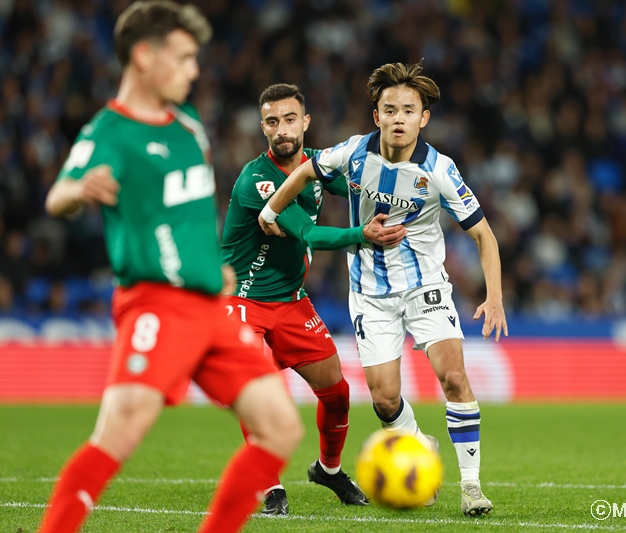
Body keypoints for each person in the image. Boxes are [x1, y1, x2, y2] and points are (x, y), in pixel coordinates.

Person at [37, 2, 303, 532]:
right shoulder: (110, 131)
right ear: (143, 56)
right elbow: (57, 196)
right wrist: (80, 190)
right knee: (118, 435)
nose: (193, 70)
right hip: (156, 303)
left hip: (212, 306)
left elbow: (191, 212)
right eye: (183, 59)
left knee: (280, 428)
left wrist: (214, 266)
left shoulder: (188, 125)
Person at [258, 61, 508, 517]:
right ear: (376, 116)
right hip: (370, 294)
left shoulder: (439, 170)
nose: (398, 118)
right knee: (384, 398)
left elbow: (483, 235)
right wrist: (272, 209)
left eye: (408, 110)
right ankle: (418, 445)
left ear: (422, 118)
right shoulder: (353, 153)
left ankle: (471, 486)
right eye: (389, 109)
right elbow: (307, 171)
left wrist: (494, 296)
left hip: (425, 287)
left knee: (453, 377)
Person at [220, 83, 405, 514]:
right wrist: (364, 235)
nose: (281, 130)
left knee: (337, 393)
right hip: (242, 301)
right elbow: (308, 232)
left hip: (290, 299)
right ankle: (269, 486)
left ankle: (328, 469)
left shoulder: (317, 165)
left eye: (289, 119)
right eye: (272, 122)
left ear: (305, 122)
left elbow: (359, 184)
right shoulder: (257, 179)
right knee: (259, 391)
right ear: (262, 127)